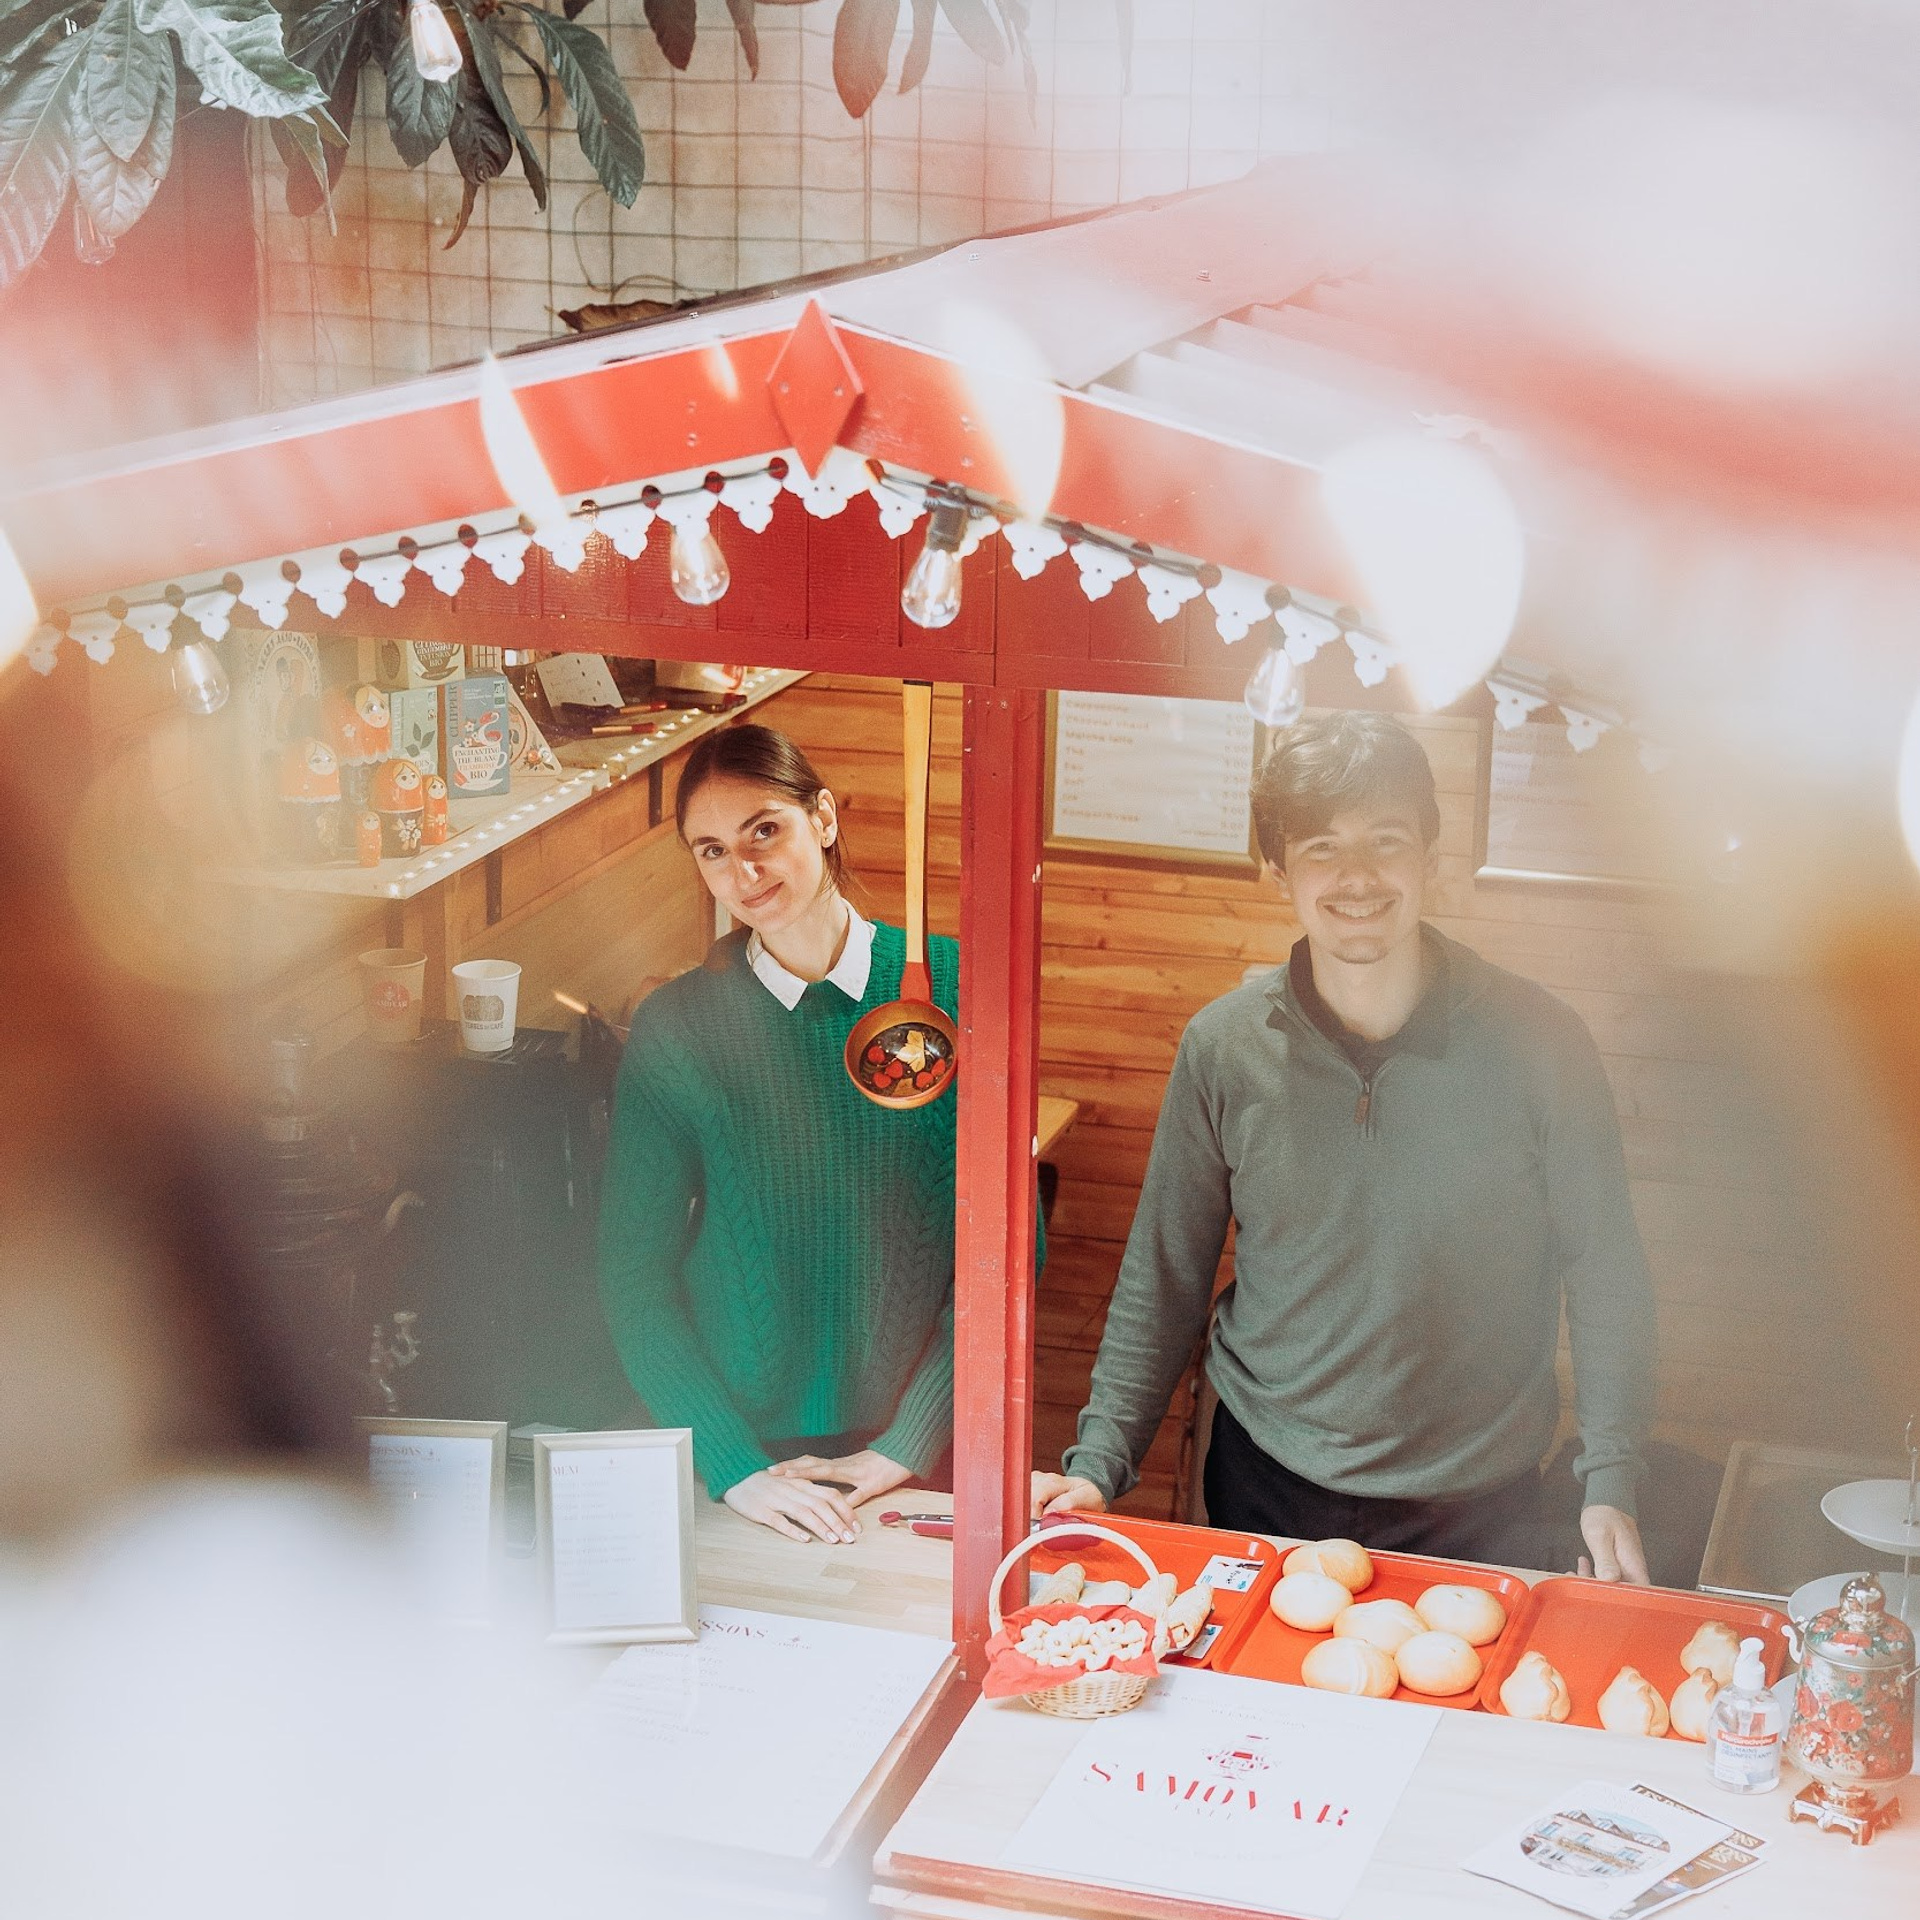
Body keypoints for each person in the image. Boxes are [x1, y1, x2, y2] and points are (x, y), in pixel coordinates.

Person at [1032, 712, 1657, 1580]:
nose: (1356, 876)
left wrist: (1609, 1475)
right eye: (1321, 846)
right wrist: (1099, 1463)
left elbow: (1606, 1270)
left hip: (1482, 1496)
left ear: (1429, 859)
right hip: (1268, 1475)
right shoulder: (1223, 1046)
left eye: (1385, 840)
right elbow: (1164, 1271)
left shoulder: (1542, 1041)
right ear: (1280, 870)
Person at [598, 723, 960, 1545]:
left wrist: (909, 1443)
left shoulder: (953, 988)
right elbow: (633, 1276)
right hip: (744, 1464)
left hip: (915, 1456)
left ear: (822, 820)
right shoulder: (677, 1026)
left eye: (766, 829)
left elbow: (1011, 1260)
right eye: (713, 850)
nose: (746, 872)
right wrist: (731, 1466)